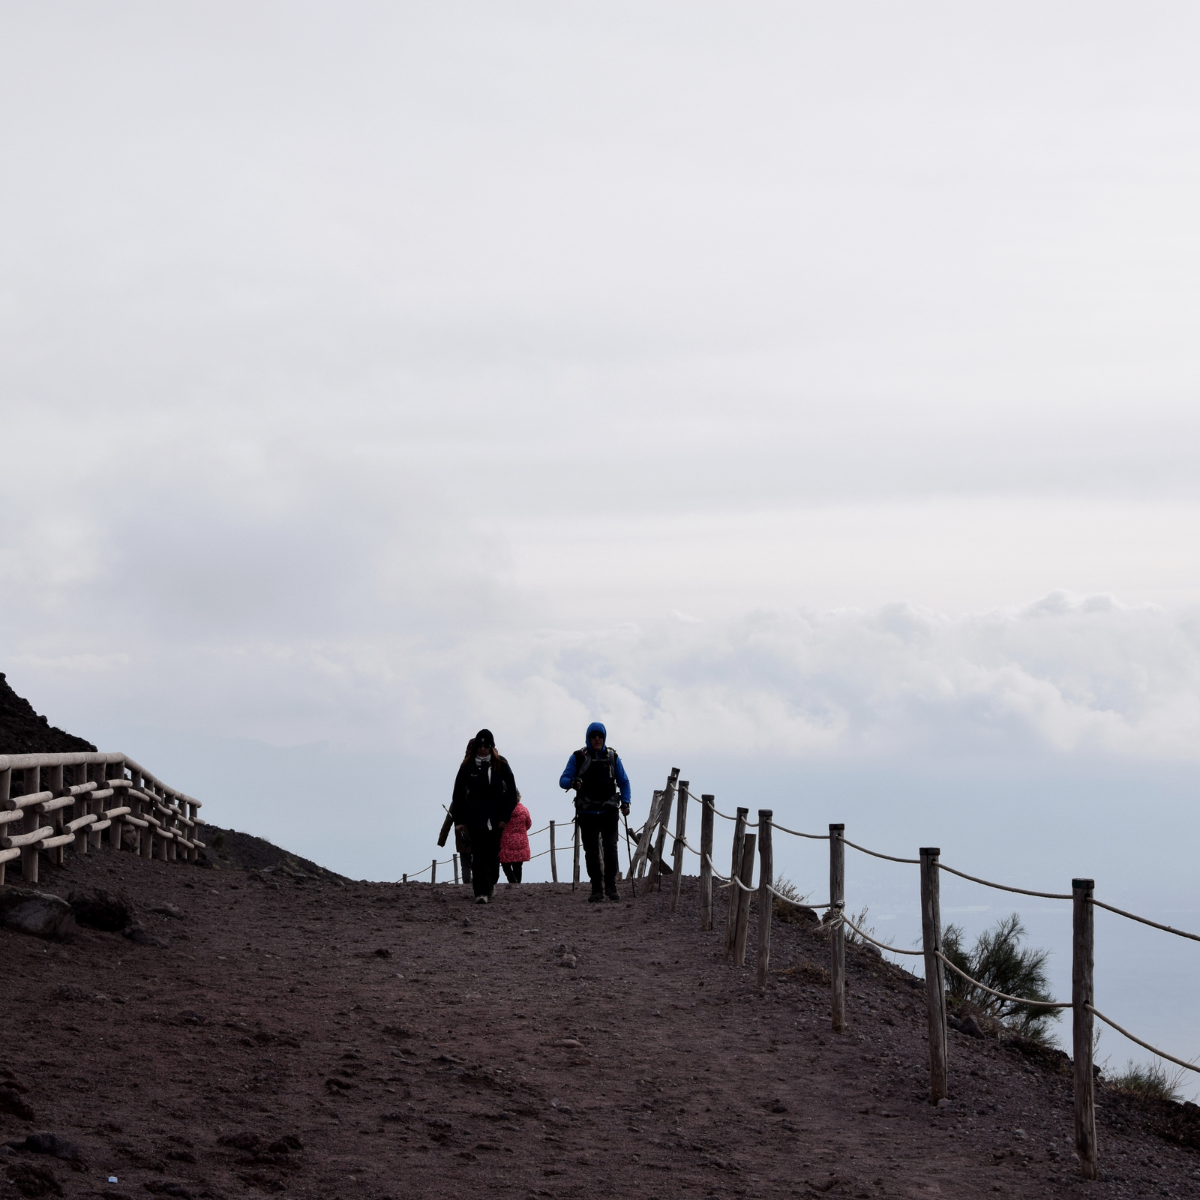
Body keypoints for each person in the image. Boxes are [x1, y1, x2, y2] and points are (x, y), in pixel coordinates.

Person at [559, 721, 631, 902]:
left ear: (604, 737)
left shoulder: (613, 757)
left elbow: (624, 782)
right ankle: (597, 888)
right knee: (591, 851)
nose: (597, 739)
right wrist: (572, 782)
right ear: (588, 738)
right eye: (594, 736)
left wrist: (626, 802)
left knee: (611, 849)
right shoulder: (578, 757)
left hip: (608, 811)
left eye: (600, 736)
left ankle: (611, 886)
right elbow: (563, 780)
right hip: (587, 812)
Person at [450, 729, 518, 904]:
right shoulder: (467, 767)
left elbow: (511, 792)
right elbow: (458, 794)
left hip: (496, 818)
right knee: (479, 855)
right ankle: (480, 892)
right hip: (475, 817)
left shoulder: (501, 765)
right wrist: (459, 821)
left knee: (493, 855)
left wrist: (505, 816)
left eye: (486, 745)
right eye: (479, 745)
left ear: (491, 747)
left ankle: (491, 883)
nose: (482, 749)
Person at [499, 796, 531, 885]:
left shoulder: (502, 810)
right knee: (518, 864)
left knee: (505, 863)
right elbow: (528, 823)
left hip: (505, 840)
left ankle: (512, 880)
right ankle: (518, 883)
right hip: (521, 840)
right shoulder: (524, 810)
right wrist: (521, 831)